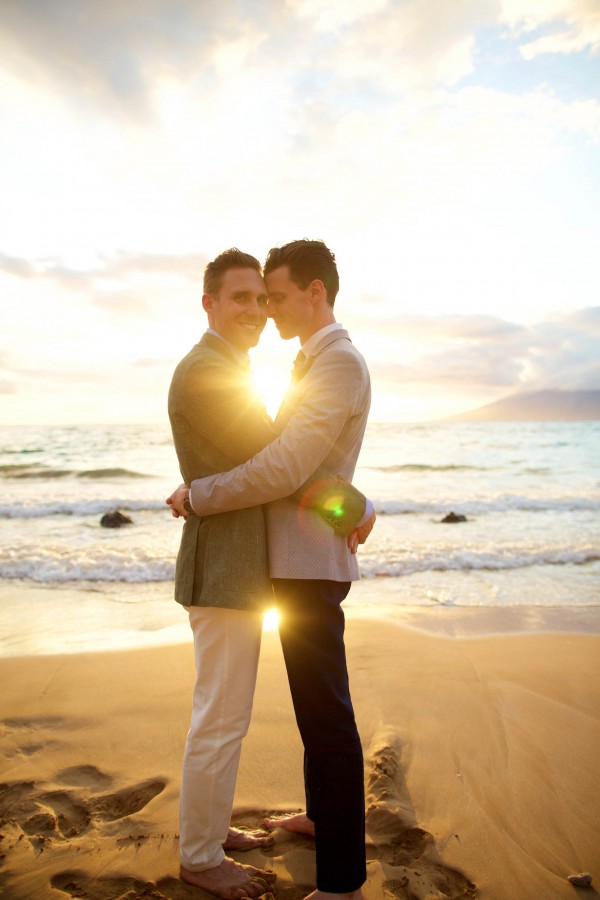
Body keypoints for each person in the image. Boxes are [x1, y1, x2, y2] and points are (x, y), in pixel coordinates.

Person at [169, 239, 373, 900]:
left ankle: (336, 875)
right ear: (211, 304)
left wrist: (350, 501)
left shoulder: (332, 362)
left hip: (297, 564)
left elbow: (286, 463)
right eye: (248, 298)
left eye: (271, 296)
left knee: (320, 712)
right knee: (237, 712)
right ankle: (206, 847)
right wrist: (352, 502)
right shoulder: (214, 369)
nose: (263, 309)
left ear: (313, 292)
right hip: (247, 566)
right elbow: (279, 457)